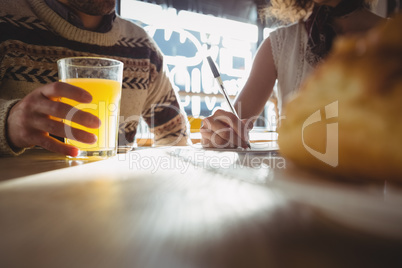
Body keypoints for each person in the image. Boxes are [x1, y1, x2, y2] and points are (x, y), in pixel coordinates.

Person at [0, 0, 188, 157]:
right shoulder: (5, 17)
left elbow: (175, 135)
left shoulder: (144, 49)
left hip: (112, 196)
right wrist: (6, 122)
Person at [200, 0, 384, 149]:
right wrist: (219, 131)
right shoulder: (279, 44)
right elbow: (233, 126)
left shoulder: (395, 35)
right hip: (297, 187)